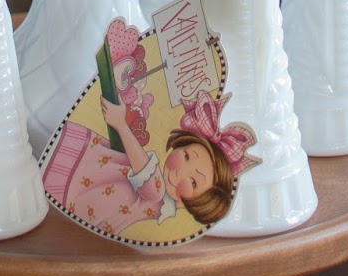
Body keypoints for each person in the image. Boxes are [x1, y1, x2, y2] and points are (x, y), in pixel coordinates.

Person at [42, 89, 255, 239]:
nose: (181, 170)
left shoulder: (156, 193)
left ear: (201, 203)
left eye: (193, 181)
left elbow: (146, 174)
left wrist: (120, 124)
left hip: (78, 189)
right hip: (86, 166)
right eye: (187, 156)